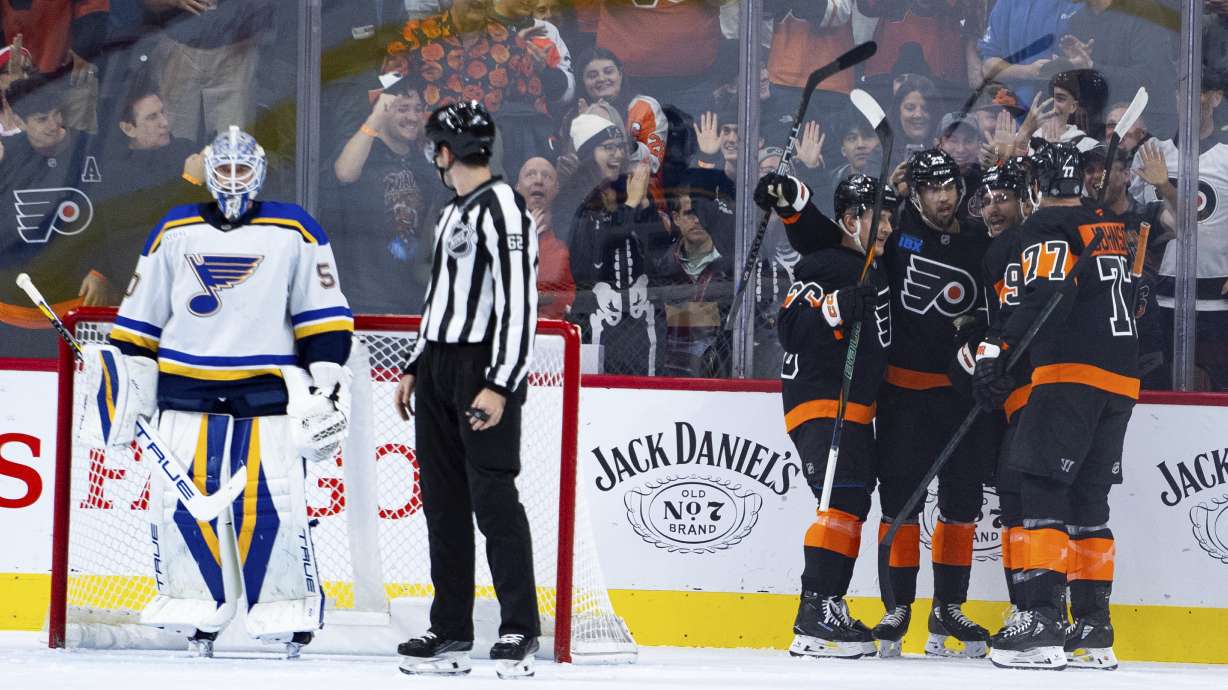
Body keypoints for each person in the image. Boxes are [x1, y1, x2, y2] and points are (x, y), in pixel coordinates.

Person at [88, 125, 354, 658]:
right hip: (186, 393)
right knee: (177, 507)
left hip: (268, 394)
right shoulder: (174, 229)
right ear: (210, 173)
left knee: (274, 503)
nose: (234, 179)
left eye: (242, 168)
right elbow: (139, 322)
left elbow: (321, 314)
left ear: (259, 171)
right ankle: (194, 607)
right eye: (225, 169)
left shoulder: (294, 228)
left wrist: (324, 381)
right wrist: (126, 385)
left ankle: (284, 610)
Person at [393, 101, 542, 679]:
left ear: (445, 152)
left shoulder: (503, 207)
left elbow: (519, 304)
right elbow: (438, 301)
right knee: (443, 503)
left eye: (436, 148)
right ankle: (451, 627)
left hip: (483, 370)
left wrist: (500, 384)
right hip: (439, 367)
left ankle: (518, 628)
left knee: (494, 499)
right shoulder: (454, 211)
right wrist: (415, 363)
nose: (435, 157)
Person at [974, 142, 1136, 671]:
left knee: (1041, 487)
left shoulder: (1044, 226)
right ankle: (1092, 628)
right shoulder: (1106, 223)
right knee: (1090, 504)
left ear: (1037, 187)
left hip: (1070, 374)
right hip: (1120, 379)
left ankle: (1041, 620)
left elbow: (1039, 294)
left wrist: (996, 351)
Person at [757, 171, 894, 659]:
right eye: (876, 218)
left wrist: (795, 206)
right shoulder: (829, 264)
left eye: (890, 219)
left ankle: (828, 604)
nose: (885, 228)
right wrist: (837, 308)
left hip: (854, 406)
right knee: (837, 503)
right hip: (821, 402)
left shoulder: (867, 264)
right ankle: (814, 612)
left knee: (851, 503)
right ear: (851, 219)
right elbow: (791, 328)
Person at [873, 149, 995, 658]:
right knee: (901, 502)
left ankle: (948, 606)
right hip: (903, 393)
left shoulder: (978, 239)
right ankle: (897, 606)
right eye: (931, 189)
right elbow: (859, 236)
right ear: (915, 192)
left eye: (949, 188)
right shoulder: (896, 234)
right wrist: (888, 195)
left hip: (959, 394)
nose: (943, 198)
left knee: (962, 503)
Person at [0, 72, 110, 358]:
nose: (53, 125)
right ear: (20, 123)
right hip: (14, 310)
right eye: (41, 119)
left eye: (56, 114)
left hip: (78, 304)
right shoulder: (6, 160)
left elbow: (116, 217)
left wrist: (104, 270)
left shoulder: (91, 150)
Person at [564, 113, 669, 376]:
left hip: (641, 318)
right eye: (607, 147)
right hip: (596, 320)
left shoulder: (628, 192)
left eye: (620, 146)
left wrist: (644, 206)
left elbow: (660, 247)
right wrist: (633, 204)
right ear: (589, 154)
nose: (617, 154)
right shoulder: (575, 199)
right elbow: (596, 250)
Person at [330, 75, 438, 313]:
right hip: (367, 299)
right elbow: (345, 172)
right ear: (384, 109)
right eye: (403, 108)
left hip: (414, 300)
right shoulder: (365, 151)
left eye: (417, 109)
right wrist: (376, 117)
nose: (412, 116)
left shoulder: (423, 162)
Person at [655, 189, 734, 378]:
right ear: (676, 218)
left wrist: (680, 311)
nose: (698, 220)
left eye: (704, 214)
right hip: (668, 374)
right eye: (690, 213)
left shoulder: (734, 265)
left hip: (722, 373)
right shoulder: (659, 265)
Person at [515, 156, 575, 320]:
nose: (539, 181)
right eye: (530, 175)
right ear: (518, 187)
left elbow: (569, 298)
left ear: (557, 189)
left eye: (547, 176)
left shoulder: (570, 239)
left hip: (555, 334)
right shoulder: (499, 236)